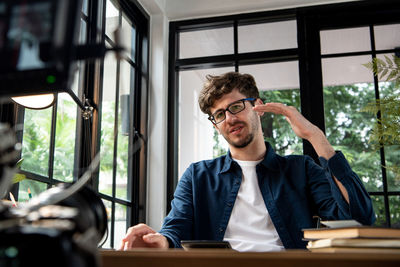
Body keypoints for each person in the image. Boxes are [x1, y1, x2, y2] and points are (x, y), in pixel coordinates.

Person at [119, 72, 375, 251]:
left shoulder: (301, 169)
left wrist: (314, 136)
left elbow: (358, 218)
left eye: (236, 107)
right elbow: (176, 229)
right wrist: (160, 241)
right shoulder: (198, 176)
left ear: (258, 107)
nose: (228, 119)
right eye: (219, 114)